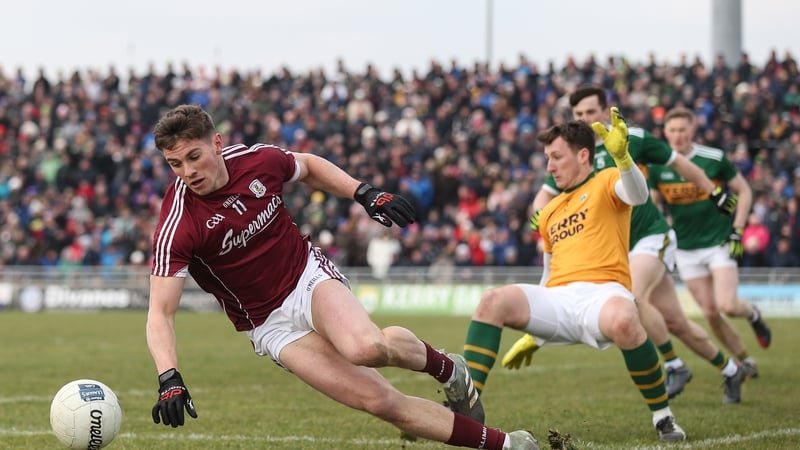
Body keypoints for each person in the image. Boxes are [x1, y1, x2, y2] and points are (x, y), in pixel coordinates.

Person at [145, 104, 539, 450]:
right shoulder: (178, 225)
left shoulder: (258, 160)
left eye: (194, 157)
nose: (188, 172)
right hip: (269, 325)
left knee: (365, 348)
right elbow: (161, 312)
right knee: (381, 402)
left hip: (306, 277)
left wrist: (363, 193)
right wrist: (170, 378)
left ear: (216, 143)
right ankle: (510, 445)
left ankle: (448, 370)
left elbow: (310, 166)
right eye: (175, 164)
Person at [489, 85, 747, 402]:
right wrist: (540, 213)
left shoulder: (631, 139)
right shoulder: (572, 150)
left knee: (632, 297)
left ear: (604, 110)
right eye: (578, 114)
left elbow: (678, 162)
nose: (584, 118)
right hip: (620, 250)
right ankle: (731, 370)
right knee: (675, 322)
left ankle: (675, 365)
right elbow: (544, 194)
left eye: (590, 112)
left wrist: (713, 191)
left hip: (652, 236)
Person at [462, 112, 686, 442]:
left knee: (625, 319)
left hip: (604, 295)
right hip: (558, 299)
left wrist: (623, 158)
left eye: (556, 157)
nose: (549, 167)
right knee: (492, 300)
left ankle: (663, 416)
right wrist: (533, 335)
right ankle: (467, 407)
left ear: (583, 156)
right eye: (547, 159)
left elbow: (638, 196)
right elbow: (548, 271)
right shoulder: (549, 210)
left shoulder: (608, 179)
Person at [650, 106, 772, 372]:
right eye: (672, 130)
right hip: (685, 249)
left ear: (693, 130)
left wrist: (737, 229)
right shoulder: (658, 166)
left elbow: (744, 191)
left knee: (727, 305)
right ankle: (745, 360)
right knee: (710, 313)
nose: (678, 135)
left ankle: (753, 314)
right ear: (665, 132)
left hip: (719, 242)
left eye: (683, 129)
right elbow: (655, 204)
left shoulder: (713, 158)